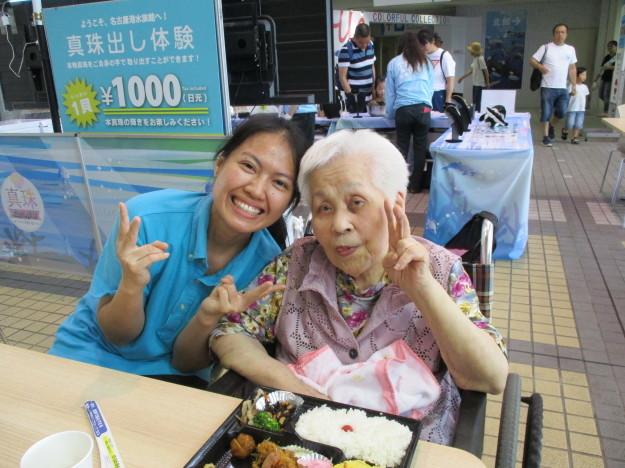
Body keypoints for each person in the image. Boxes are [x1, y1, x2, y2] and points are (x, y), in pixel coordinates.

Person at [190, 129, 508, 445]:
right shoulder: (295, 264)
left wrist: (423, 289)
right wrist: (298, 388)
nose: (339, 224)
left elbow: (488, 378)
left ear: (395, 203)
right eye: (324, 208)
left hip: (409, 451)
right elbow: (230, 333)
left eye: (356, 203)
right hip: (299, 447)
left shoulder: (439, 270)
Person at [48, 114, 307, 388]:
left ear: (290, 201)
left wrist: (207, 317)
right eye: (248, 166)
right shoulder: (145, 218)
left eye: (279, 183)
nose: (256, 190)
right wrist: (131, 287)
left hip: (172, 379)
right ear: (219, 164)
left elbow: (185, 364)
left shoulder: (268, 266)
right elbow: (117, 335)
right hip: (88, 355)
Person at [385, 31, 433, 193]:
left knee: (402, 149)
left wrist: (390, 113)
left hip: (403, 109)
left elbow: (390, 93)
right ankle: (416, 185)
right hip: (424, 108)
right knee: (420, 148)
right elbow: (430, 88)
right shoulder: (425, 62)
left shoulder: (394, 63)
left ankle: (400, 185)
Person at [529, 24, 577, 147]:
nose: (560, 34)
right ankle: (545, 137)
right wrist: (541, 67)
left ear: (566, 34)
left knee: (561, 112)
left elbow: (572, 68)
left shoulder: (570, 49)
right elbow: (532, 61)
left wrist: (574, 85)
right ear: (553, 34)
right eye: (557, 32)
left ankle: (552, 126)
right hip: (547, 86)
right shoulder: (546, 48)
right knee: (546, 112)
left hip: (563, 87)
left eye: (562, 32)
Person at [338, 23, 376, 114]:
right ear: (355, 37)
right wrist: (350, 95)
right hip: (355, 98)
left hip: (369, 97)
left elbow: (372, 66)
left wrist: (373, 87)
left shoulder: (370, 45)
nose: (364, 45)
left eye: (366, 42)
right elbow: (342, 76)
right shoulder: (346, 49)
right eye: (361, 42)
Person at [418, 29, 456, 112]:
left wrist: (448, 100)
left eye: (424, 45)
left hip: (437, 93)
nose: (422, 48)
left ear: (432, 41)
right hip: (423, 94)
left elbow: (450, 79)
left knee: (436, 121)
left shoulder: (444, 55)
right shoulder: (421, 55)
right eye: (420, 45)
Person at [457, 42, 490, 113]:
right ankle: (475, 113)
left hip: (480, 84)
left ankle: (477, 113)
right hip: (476, 83)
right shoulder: (475, 59)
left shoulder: (480, 59)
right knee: (475, 100)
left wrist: (487, 83)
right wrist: (462, 77)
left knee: (477, 101)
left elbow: (486, 71)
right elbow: (471, 70)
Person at [562, 67, 590, 144]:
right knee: (570, 123)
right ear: (576, 75)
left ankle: (574, 137)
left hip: (581, 109)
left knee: (578, 124)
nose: (584, 77)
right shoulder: (571, 86)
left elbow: (585, 96)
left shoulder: (585, 87)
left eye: (585, 75)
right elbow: (567, 95)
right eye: (582, 75)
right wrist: (570, 93)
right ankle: (565, 130)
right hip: (571, 108)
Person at [593, 40, 617, 117]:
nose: (609, 48)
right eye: (608, 46)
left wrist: (610, 67)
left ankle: (606, 111)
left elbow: (619, 67)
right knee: (601, 94)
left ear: (616, 46)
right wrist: (595, 80)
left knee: (606, 94)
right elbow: (602, 69)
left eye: (611, 46)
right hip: (604, 77)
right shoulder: (607, 57)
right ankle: (610, 107)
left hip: (611, 78)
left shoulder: (618, 57)